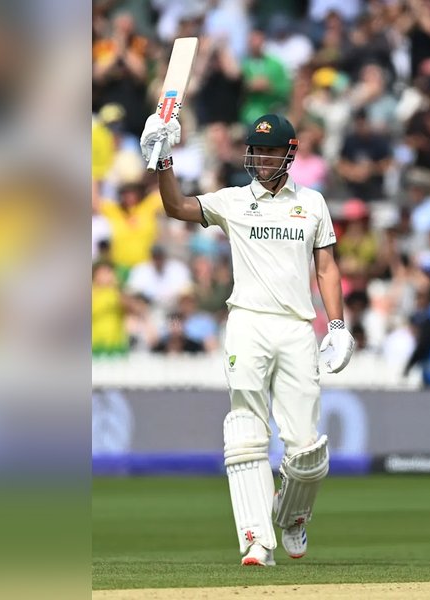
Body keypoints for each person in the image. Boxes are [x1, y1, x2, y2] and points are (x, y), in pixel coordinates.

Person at [140, 111, 355, 566]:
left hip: (297, 327)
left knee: (306, 449)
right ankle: (256, 539)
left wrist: (336, 325)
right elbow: (176, 207)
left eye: (270, 151)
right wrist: (163, 161)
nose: (260, 159)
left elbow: (327, 268)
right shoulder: (233, 200)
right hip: (247, 322)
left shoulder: (312, 203)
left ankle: (293, 515)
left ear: (289, 154)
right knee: (245, 432)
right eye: (255, 151)